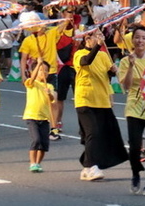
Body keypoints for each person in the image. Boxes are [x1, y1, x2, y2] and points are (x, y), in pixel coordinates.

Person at [73, 30, 127, 182]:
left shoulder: (104, 55)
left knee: (103, 134)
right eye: (94, 37)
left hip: (102, 99)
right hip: (85, 99)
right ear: (87, 39)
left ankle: (86, 165)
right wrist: (97, 46)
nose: (98, 39)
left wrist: (112, 72)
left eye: (99, 37)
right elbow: (86, 62)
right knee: (92, 132)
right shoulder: (79, 54)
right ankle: (92, 166)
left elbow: (104, 74)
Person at [118, 25, 145, 195]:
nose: (140, 40)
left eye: (143, 38)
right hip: (134, 107)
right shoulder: (125, 61)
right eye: (137, 37)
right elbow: (127, 86)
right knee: (135, 146)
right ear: (132, 39)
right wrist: (130, 66)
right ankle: (136, 173)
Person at [51, 10, 79, 141]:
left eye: (72, 12)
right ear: (62, 14)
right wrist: (65, 22)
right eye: (68, 12)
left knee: (79, 98)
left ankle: (83, 125)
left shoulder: (79, 28)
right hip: (62, 66)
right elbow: (56, 34)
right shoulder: (58, 30)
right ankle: (57, 121)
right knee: (60, 97)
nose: (71, 15)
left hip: (77, 67)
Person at [23, 61, 55, 172]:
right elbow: (31, 79)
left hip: (44, 118)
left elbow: (52, 100)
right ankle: (32, 163)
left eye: (46, 70)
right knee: (36, 140)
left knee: (44, 144)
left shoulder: (49, 86)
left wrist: (49, 93)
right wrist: (38, 64)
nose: (44, 73)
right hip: (32, 116)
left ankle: (38, 163)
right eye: (41, 70)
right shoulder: (32, 83)